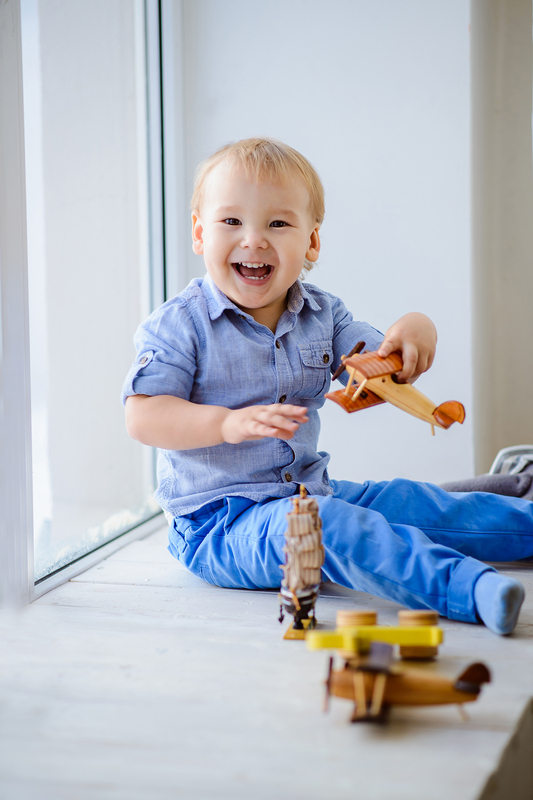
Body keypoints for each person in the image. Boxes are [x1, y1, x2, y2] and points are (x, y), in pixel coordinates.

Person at [122, 137, 529, 635]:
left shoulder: (323, 314)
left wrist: (416, 329)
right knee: (329, 528)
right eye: (231, 221)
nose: (253, 240)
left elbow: (379, 367)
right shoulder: (179, 325)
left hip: (312, 491)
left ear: (312, 242)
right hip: (221, 526)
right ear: (200, 233)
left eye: (277, 223)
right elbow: (142, 416)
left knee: (409, 503)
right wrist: (226, 424)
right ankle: (468, 588)